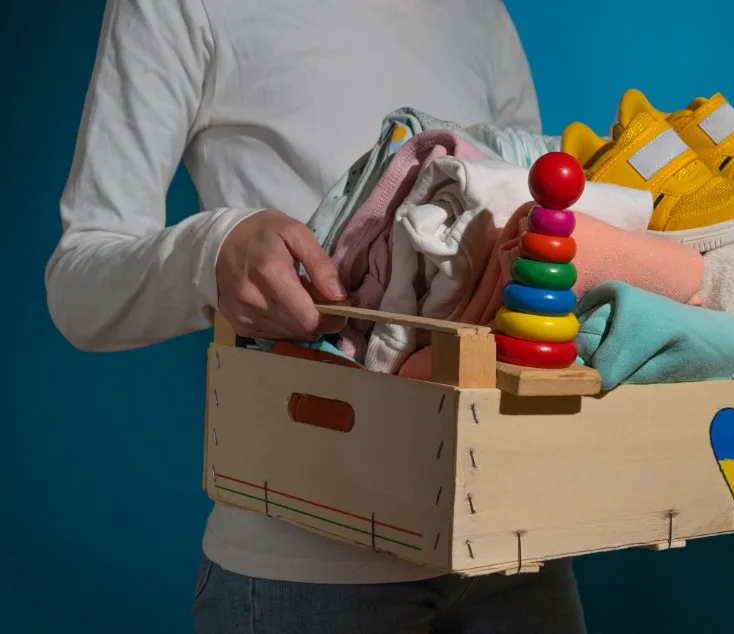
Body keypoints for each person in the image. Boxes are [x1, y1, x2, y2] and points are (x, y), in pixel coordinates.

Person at [44, 1, 587, 632]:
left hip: (513, 543)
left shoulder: (480, 12)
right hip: (308, 564)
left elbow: (535, 228)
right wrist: (212, 253)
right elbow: (76, 286)